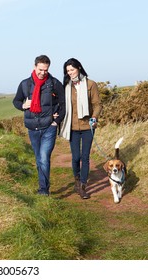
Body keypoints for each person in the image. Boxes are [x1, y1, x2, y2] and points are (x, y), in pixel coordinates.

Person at [13, 55, 65, 196]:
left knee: (43, 158)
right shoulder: (25, 84)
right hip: (32, 128)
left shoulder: (54, 83)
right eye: (40, 69)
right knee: (38, 159)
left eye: (46, 70)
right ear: (35, 66)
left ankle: (43, 190)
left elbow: (63, 103)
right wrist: (23, 105)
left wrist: (57, 120)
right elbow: (16, 101)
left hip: (49, 127)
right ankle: (43, 185)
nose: (43, 73)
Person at [59, 58, 102, 199]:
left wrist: (94, 117)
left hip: (87, 126)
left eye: (72, 69)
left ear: (79, 68)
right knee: (76, 157)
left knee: (85, 157)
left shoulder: (91, 84)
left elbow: (97, 105)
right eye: (68, 71)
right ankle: (77, 180)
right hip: (72, 127)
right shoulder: (66, 86)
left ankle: (83, 185)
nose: (70, 73)